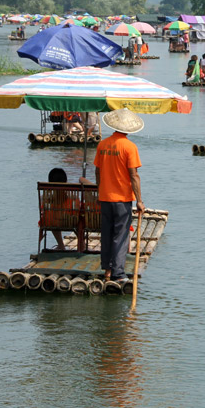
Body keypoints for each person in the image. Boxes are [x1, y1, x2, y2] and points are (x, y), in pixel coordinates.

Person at [82, 108, 145, 285]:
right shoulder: (130, 147)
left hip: (105, 197)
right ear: (128, 129)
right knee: (121, 235)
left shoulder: (103, 144)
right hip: (122, 198)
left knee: (107, 234)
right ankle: (118, 272)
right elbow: (134, 175)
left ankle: (107, 270)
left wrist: (99, 190)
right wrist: (139, 200)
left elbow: (97, 170)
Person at [45, 167, 75, 250]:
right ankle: (82, 244)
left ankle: (61, 244)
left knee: (50, 217)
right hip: (71, 221)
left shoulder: (51, 197)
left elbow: (43, 203)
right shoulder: (70, 194)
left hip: (54, 221)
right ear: (65, 181)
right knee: (79, 218)